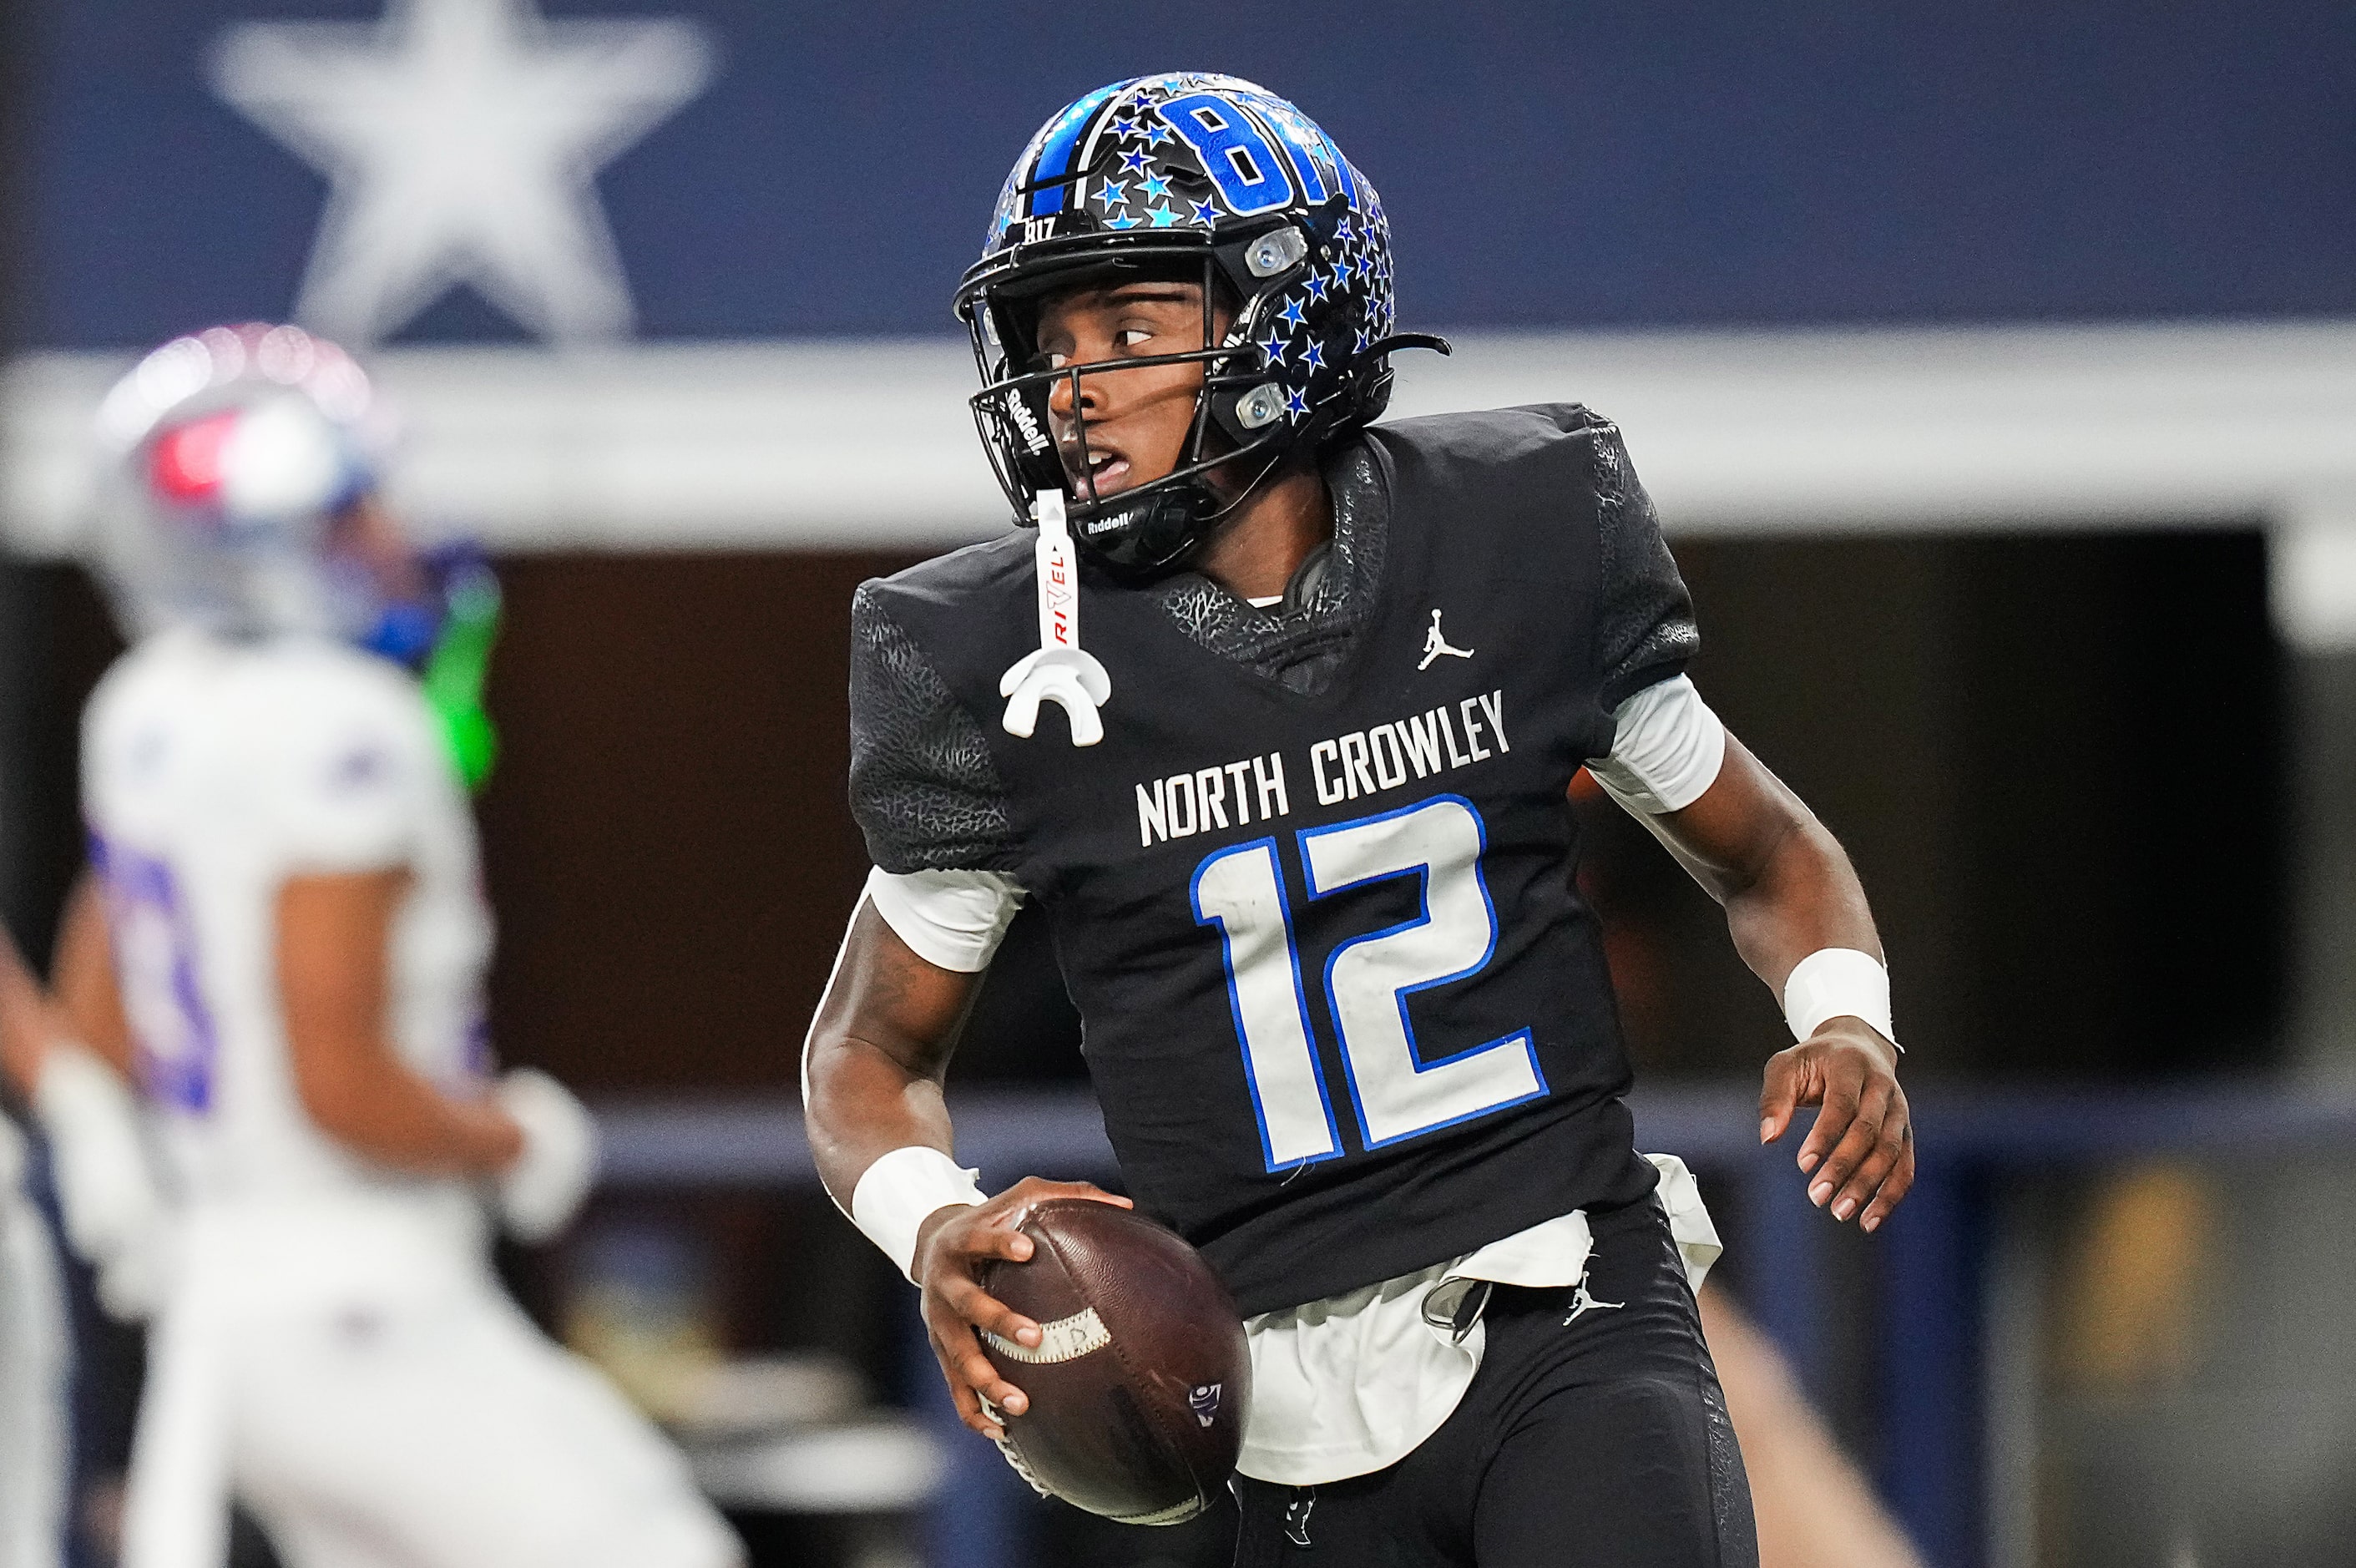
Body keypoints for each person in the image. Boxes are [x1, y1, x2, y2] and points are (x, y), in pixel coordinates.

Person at [803, 74, 1914, 1566]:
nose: (1074, 387)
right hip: (1269, 1377)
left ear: (1286, 316)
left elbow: (1769, 850)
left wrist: (1843, 1014)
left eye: (1130, 332)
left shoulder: (1509, 538)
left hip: (1562, 1292)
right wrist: (931, 1218)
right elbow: (865, 1052)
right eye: (1053, 343)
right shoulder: (1012, 662)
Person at [48, 324, 743, 1568]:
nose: (392, 537)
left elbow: (104, 1028)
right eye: (352, 510)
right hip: (359, 1294)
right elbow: (342, 1086)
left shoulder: (141, 704)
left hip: (231, 1309)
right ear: (267, 542)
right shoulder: (343, 724)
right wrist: (513, 1133)